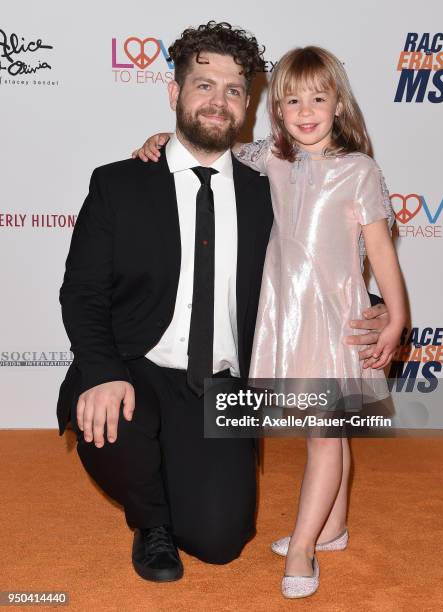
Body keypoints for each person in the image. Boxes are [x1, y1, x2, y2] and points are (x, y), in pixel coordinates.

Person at [57, 22, 391, 587]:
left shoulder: (269, 185)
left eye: (233, 90)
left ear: (249, 104)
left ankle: (180, 487)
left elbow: (314, 260)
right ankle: (151, 520)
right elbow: (82, 291)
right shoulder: (121, 184)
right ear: (175, 93)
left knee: (221, 542)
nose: (218, 101)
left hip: (221, 383)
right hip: (138, 366)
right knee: (117, 423)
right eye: (203, 85)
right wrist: (103, 372)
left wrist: (376, 306)